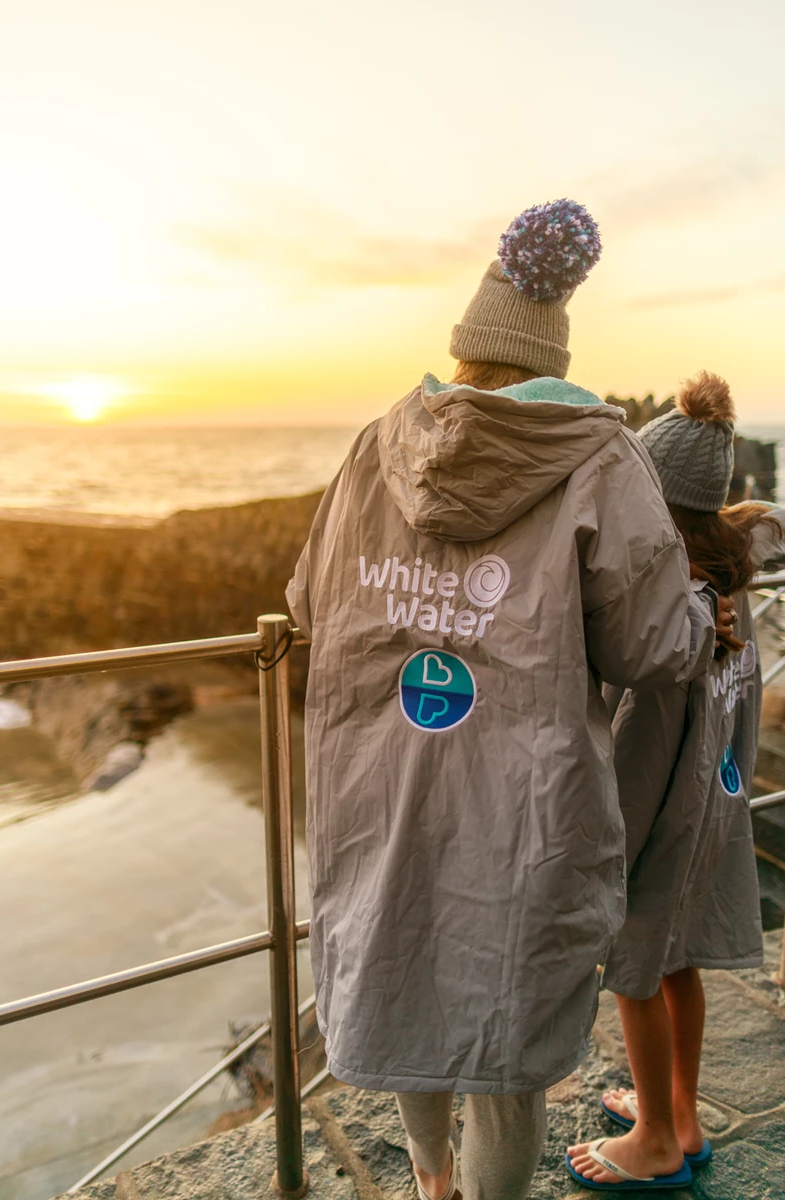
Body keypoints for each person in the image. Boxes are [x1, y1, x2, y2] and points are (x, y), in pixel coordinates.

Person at [287, 201, 725, 1200]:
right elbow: (654, 645)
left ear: (463, 348)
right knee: (500, 1043)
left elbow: (310, 595)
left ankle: (430, 1185)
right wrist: (705, 611)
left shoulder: (371, 449)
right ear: (552, 357)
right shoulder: (597, 460)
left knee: (402, 979)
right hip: (519, 807)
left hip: (384, 787)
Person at [567, 372, 785, 1192]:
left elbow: (638, 738)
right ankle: (679, 1112)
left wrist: (599, 834)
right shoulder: (726, 582)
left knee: (634, 968)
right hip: (712, 806)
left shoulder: (674, 612)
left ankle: (657, 1138)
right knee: (676, 965)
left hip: (655, 817)